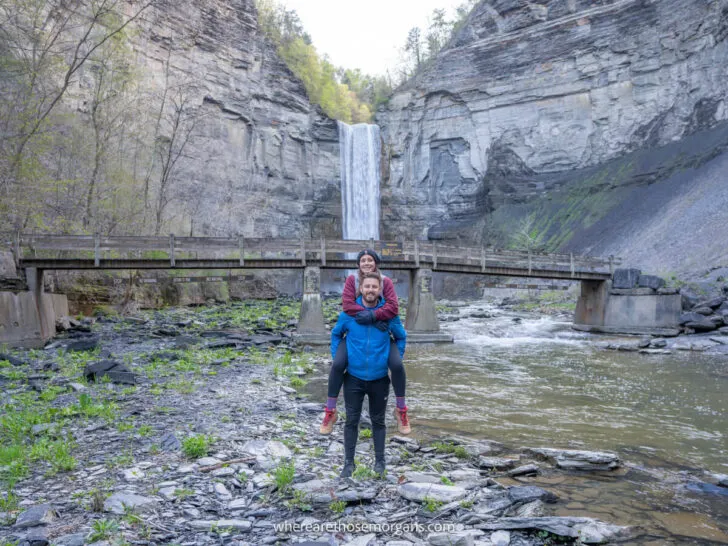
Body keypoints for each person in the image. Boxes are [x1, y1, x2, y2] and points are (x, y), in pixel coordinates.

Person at [319, 248, 411, 435]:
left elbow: (393, 307)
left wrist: (375, 317)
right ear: (358, 264)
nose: (367, 263)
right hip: (355, 330)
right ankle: (330, 411)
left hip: (382, 331)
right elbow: (348, 305)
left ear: (376, 263)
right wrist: (371, 318)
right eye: (363, 260)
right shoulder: (352, 281)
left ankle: (401, 410)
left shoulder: (385, 282)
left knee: (397, 365)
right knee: (338, 364)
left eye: (370, 260)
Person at [330, 271, 407, 477]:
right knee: (351, 420)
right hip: (353, 377)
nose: (371, 290)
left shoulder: (388, 314)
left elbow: (401, 336)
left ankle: (380, 462)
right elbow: (336, 333)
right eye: (367, 287)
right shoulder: (349, 314)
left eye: (374, 287)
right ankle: (348, 464)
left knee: (378, 421)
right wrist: (337, 356)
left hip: (379, 378)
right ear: (361, 289)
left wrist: (393, 358)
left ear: (380, 289)